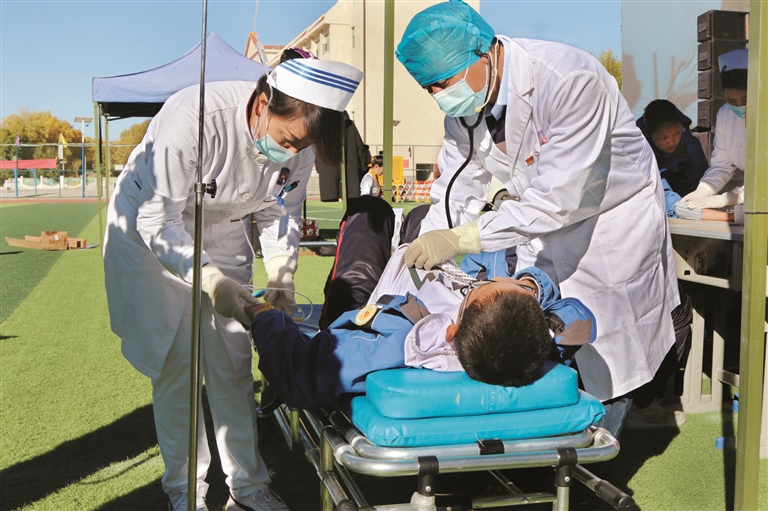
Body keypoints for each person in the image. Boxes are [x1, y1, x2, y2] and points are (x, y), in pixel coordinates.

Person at [395, 0, 679, 439]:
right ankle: (552, 444)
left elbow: (556, 199)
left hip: (610, 223)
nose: (439, 97)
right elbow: (456, 187)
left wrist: (462, 239)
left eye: (443, 83)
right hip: (544, 226)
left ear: (483, 52)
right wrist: (430, 241)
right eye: (428, 88)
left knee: (609, 349)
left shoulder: (569, 80)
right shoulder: (465, 111)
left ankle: (596, 454)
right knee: (543, 338)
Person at [103, 52, 362, 511]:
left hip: (225, 226)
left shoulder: (299, 144)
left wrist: (281, 269)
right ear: (262, 104)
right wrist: (208, 278)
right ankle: (185, 493)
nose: (292, 153)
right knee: (177, 364)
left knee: (233, 360)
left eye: (302, 146)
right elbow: (159, 220)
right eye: (288, 140)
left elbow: (280, 210)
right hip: (151, 227)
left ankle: (248, 487)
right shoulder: (193, 119)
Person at [247, 198, 595, 411]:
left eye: (491, 285)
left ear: (452, 331)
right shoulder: (529, 341)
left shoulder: (395, 344)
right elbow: (578, 317)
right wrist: (533, 285)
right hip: (428, 283)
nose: (499, 279)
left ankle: (373, 217)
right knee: (426, 215)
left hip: (377, 307)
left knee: (369, 213)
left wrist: (263, 317)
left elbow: (300, 376)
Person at [682, 48, 748, 211]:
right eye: (732, 101)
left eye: (745, 99)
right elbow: (721, 165)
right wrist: (703, 190)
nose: (740, 106)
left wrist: (728, 198)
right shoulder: (725, 114)